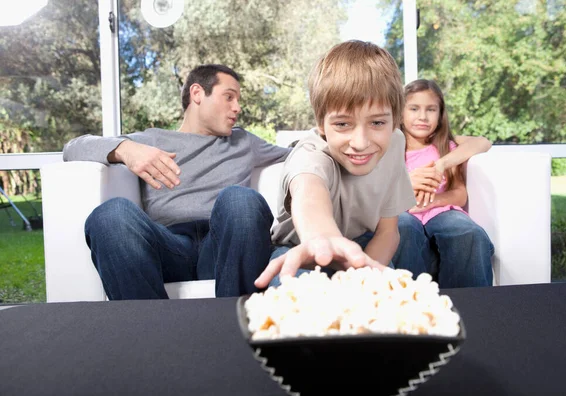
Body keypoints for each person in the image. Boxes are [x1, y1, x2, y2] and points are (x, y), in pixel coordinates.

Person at [63, 64, 291, 299]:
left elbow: (298, 152)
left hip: (224, 244)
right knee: (110, 215)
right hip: (169, 248)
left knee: (241, 199)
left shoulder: (244, 141)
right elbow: (72, 148)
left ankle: (235, 324)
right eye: (229, 97)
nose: (237, 107)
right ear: (197, 94)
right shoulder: (152, 139)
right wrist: (126, 150)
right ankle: (150, 331)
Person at [254, 40, 417, 288]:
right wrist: (323, 238)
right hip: (302, 251)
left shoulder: (395, 142)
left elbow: (388, 231)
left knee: (383, 298)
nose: (360, 143)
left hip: (361, 245)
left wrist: (357, 279)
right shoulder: (309, 155)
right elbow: (309, 195)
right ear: (321, 123)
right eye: (342, 124)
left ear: (394, 120)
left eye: (377, 123)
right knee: (299, 294)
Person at [391, 79, 494, 288]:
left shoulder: (446, 147)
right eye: (413, 109)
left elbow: (460, 192)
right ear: (400, 113)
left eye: (431, 109)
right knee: (403, 226)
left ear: (440, 115)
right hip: (403, 212)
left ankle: (472, 308)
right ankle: (409, 307)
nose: (422, 116)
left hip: (442, 211)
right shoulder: (389, 148)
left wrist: (441, 165)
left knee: (469, 233)